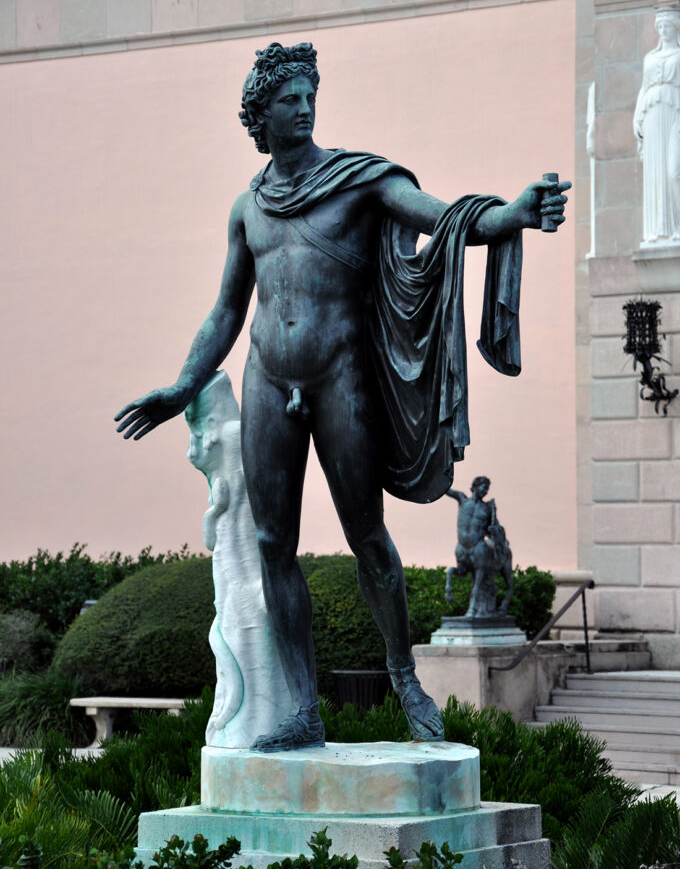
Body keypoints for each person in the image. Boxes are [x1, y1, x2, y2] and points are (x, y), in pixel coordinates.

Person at [115, 42, 569, 751]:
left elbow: (444, 218)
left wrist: (510, 215)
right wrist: (182, 384)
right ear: (260, 114)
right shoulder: (248, 208)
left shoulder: (360, 181)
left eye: (309, 96)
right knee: (272, 543)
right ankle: (303, 707)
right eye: (289, 99)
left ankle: (403, 675)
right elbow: (227, 312)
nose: (303, 107)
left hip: (340, 376)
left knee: (366, 536)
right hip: (269, 377)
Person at [185, 371, 294, 748]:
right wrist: (214, 511)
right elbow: (212, 536)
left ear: (211, 423)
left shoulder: (234, 438)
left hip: (248, 574)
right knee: (235, 635)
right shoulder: (240, 440)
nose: (191, 448)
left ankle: (256, 726)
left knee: (247, 636)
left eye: (195, 430)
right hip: (237, 576)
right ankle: (250, 724)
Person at [633, 6, 680, 245]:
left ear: (675, 28)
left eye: (668, 26)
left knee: (674, 172)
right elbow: (644, 87)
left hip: (674, 114)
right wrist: (636, 118)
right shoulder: (650, 58)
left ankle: (677, 225)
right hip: (651, 114)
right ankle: (659, 231)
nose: (664, 31)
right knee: (656, 173)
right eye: (660, 27)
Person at [445, 476, 512, 618]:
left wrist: (494, 514)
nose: (486, 491)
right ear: (475, 486)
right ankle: (448, 588)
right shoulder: (462, 499)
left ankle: (473, 608)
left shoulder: (487, 508)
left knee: (478, 578)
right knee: (452, 571)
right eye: (484, 487)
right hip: (462, 547)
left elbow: (493, 530)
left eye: (487, 488)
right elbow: (445, 489)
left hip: (478, 546)